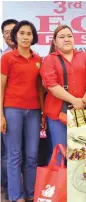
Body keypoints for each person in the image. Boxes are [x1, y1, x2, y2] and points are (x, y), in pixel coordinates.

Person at [1, 20, 44, 202]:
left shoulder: (38, 60)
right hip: (12, 111)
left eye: (29, 34)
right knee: (14, 155)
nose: (26, 37)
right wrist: (1, 115)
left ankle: (30, 193)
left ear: (33, 37)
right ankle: (16, 196)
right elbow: (1, 87)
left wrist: (42, 113)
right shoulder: (7, 58)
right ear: (15, 36)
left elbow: (40, 89)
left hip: (34, 112)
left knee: (32, 154)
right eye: (22, 33)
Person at [40, 25, 86, 162]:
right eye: (62, 37)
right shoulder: (49, 60)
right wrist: (74, 100)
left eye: (69, 36)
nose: (66, 39)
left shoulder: (85, 57)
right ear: (55, 42)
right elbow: (51, 85)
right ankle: (60, 183)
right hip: (57, 113)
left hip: (81, 112)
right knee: (60, 152)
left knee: (81, 153)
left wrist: (83, 101)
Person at [0, 18, 18, 199]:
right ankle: (7, 188)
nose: (10, 35)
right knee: (7, 153)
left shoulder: (34, 56)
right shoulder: (2, 57)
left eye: (13, 31)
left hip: (24, 111)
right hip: (4, 110)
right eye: (6, 32)